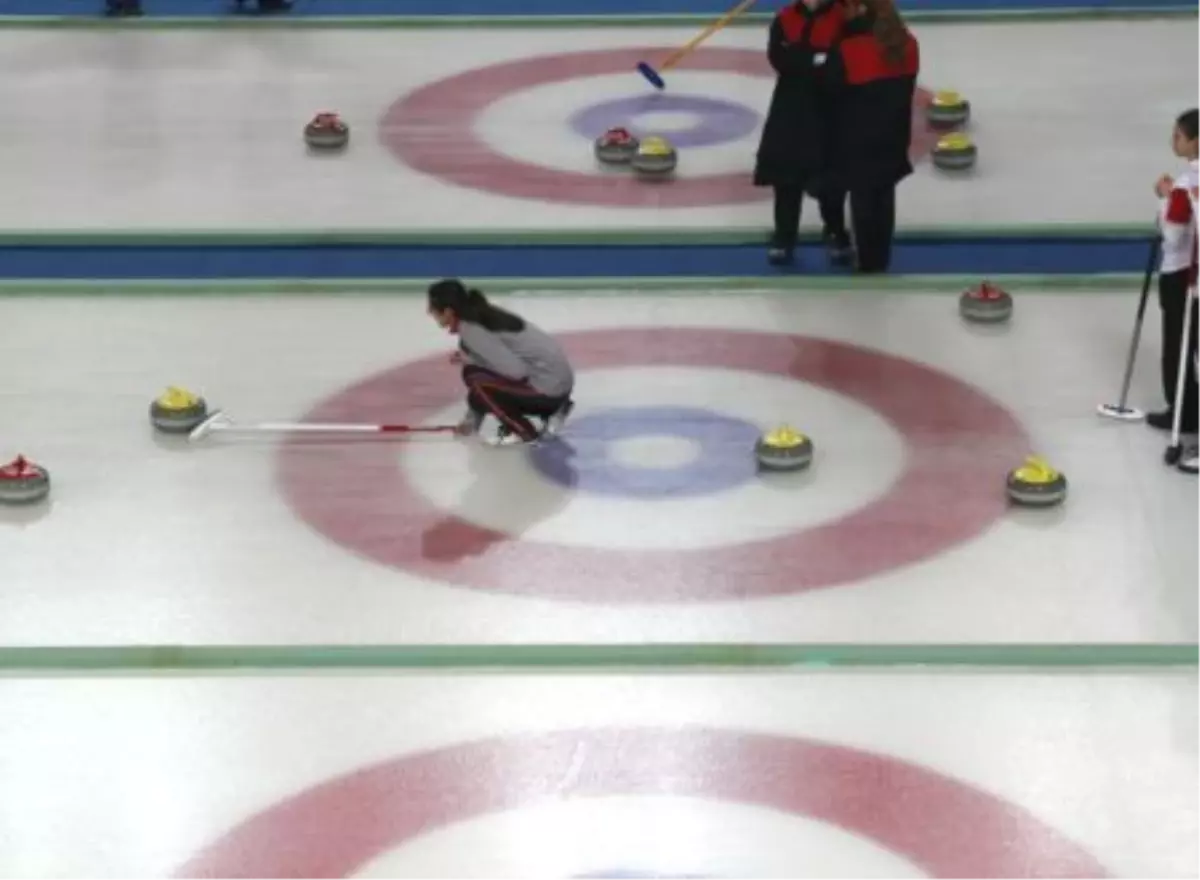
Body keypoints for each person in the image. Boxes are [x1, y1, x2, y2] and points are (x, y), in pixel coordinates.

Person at [753, 0, 853, 267]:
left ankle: (835, 232)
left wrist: (804, 58)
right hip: (790, 108)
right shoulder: (784, 19)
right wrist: (815, 60)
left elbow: (841, 61)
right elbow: (779, 58)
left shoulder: (843, 17)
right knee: (785, 177)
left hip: (829, 107)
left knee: (830, 178)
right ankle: (785, 236)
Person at [822, 0, 919, 274]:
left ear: (862, 9)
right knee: (884, 196)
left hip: (857, 139)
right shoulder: (908, 45)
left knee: (863, 199)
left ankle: (866, 263)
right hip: (895, 135)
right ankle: (880, 259)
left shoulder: (849, 49)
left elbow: (830, 89)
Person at [427, 279, 575, 446]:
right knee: (477, 374)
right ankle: (557, 409)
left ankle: (523, 431)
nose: (428, 312)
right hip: (559, 385)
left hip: (548, 390)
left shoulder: (471, 329)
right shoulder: (481, 313)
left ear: (448, 311)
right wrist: (470, 423)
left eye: (432, 308)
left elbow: (516, 372)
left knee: (474, 376)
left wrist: (471, 360)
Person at [1149, 109, 1200, 432]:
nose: (1173, 141)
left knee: (1177, 343)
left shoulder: (1184, 185)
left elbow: (1173, 234)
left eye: (1179, 136)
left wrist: (1165, 199)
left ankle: (1182, 410)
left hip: (1182, 272)